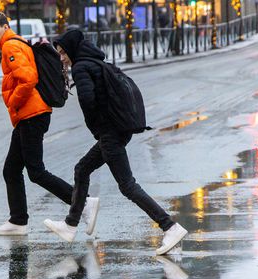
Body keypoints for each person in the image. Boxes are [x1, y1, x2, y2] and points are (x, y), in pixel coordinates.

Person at [43, 29, 188, 255]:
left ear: (71, 50)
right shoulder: (96, 62)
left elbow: (88, 101)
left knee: (128, 186)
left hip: (109, 132)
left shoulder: (81, 67)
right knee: (82, 169)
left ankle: (170, 227)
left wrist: (97, 127)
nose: (61, 58)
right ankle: (71, 224)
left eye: (63, 53)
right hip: (118, 129)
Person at [0, 12, 100, 236]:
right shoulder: (17, 43)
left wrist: (13, 103)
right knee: (12, 169)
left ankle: (83, 203)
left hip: (31, 114)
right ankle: (18, 221)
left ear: (5, 27)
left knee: (36, 171)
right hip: (31, 114)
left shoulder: (10, 47)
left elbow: (28, 79)